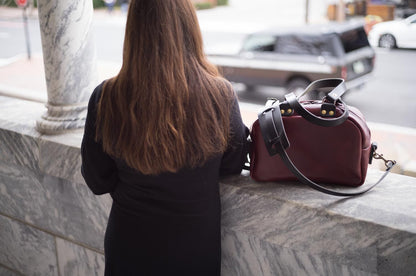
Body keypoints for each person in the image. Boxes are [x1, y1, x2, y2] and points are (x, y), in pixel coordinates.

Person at [80, 0, 249, 275]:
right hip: (195, 254)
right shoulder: (220, 94)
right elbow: (231, 165)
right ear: (189, 27)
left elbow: (97, 180)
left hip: (129, 251)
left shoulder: (106, 97)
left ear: (133, 32)